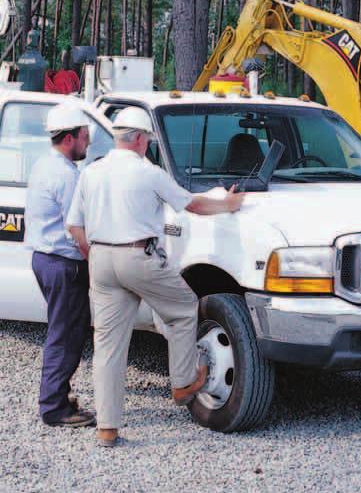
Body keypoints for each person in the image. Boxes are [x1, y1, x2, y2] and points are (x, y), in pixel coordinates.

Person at [66, 107, 244, 447]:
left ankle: (107, 428)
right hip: (138, 256)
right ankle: (183, 381)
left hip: (101, 257)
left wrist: (99, 255)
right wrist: (229, 204)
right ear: (137, 139)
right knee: (182, 308)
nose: (147, 144)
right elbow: (192, 205)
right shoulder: (148, 172)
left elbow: (74, 225)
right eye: (147, 139)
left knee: (108, 345)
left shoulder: (92, 172)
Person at [25, 101, 95, 428]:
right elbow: (75, 228)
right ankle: (54, 408)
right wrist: (94, 258)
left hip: (44, 259)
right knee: (65, 335)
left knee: (64, 330)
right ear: (69, 139)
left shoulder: (43, 165)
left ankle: (58, 395)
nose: (88, 141)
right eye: (84, 135)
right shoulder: (67, 177)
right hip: (62, 265)